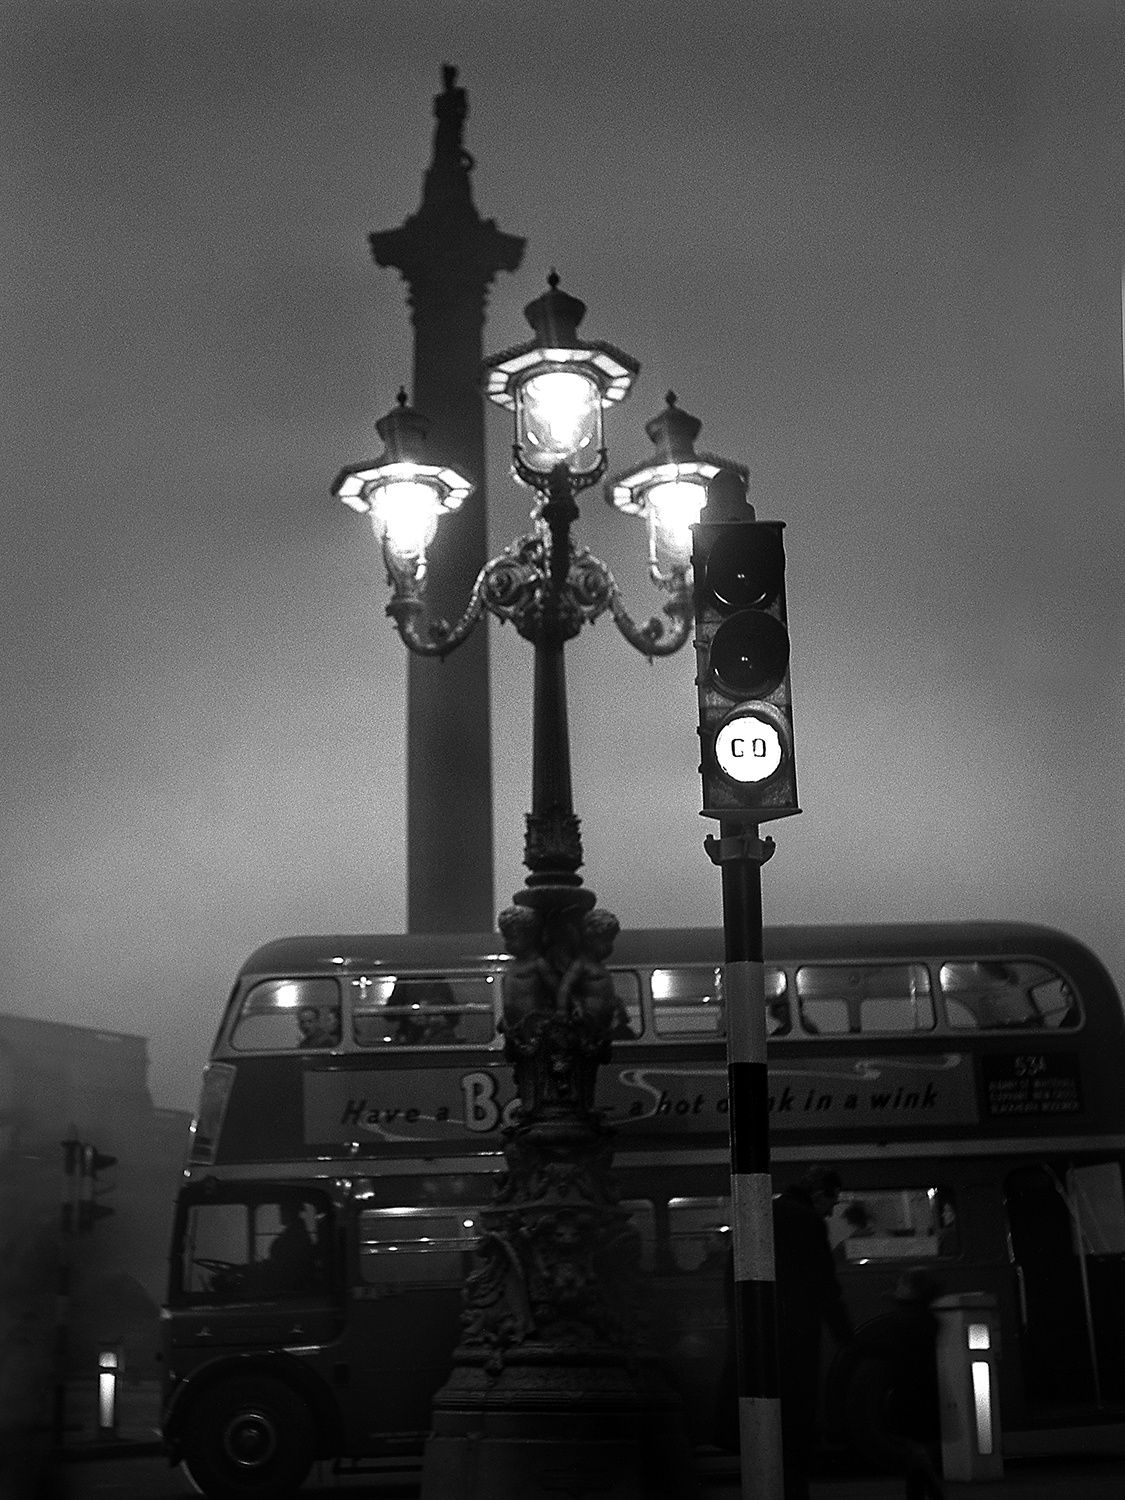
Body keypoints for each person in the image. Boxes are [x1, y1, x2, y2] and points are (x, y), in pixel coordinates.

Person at [773, 1165, 854, 1500]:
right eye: (831, 1203)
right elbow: (823, 1284)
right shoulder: (806, 1221)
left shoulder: (770, 1209)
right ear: (820, 1194)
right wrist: (846, 1337)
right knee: (797, 1414)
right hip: (796, 1330)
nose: (831, 1211)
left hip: (770, 1328)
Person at [835, 1267, 946, 1500]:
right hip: (924, 1394)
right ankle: (925, 1494)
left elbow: (883, 1347)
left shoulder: (904, 1323)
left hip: (909, 1396)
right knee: (918, 1451)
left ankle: (934, 1493)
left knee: (916, 1452)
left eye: (903, 1284)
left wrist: (852, 1344)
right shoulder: (929, 1321)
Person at [265, 1200, 319, 1293]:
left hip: (289, 1288)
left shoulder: (295, 1234)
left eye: (282, 1210)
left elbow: (286, 1263)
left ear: (290, 1212)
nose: (280, 1214)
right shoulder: (295, 1232)